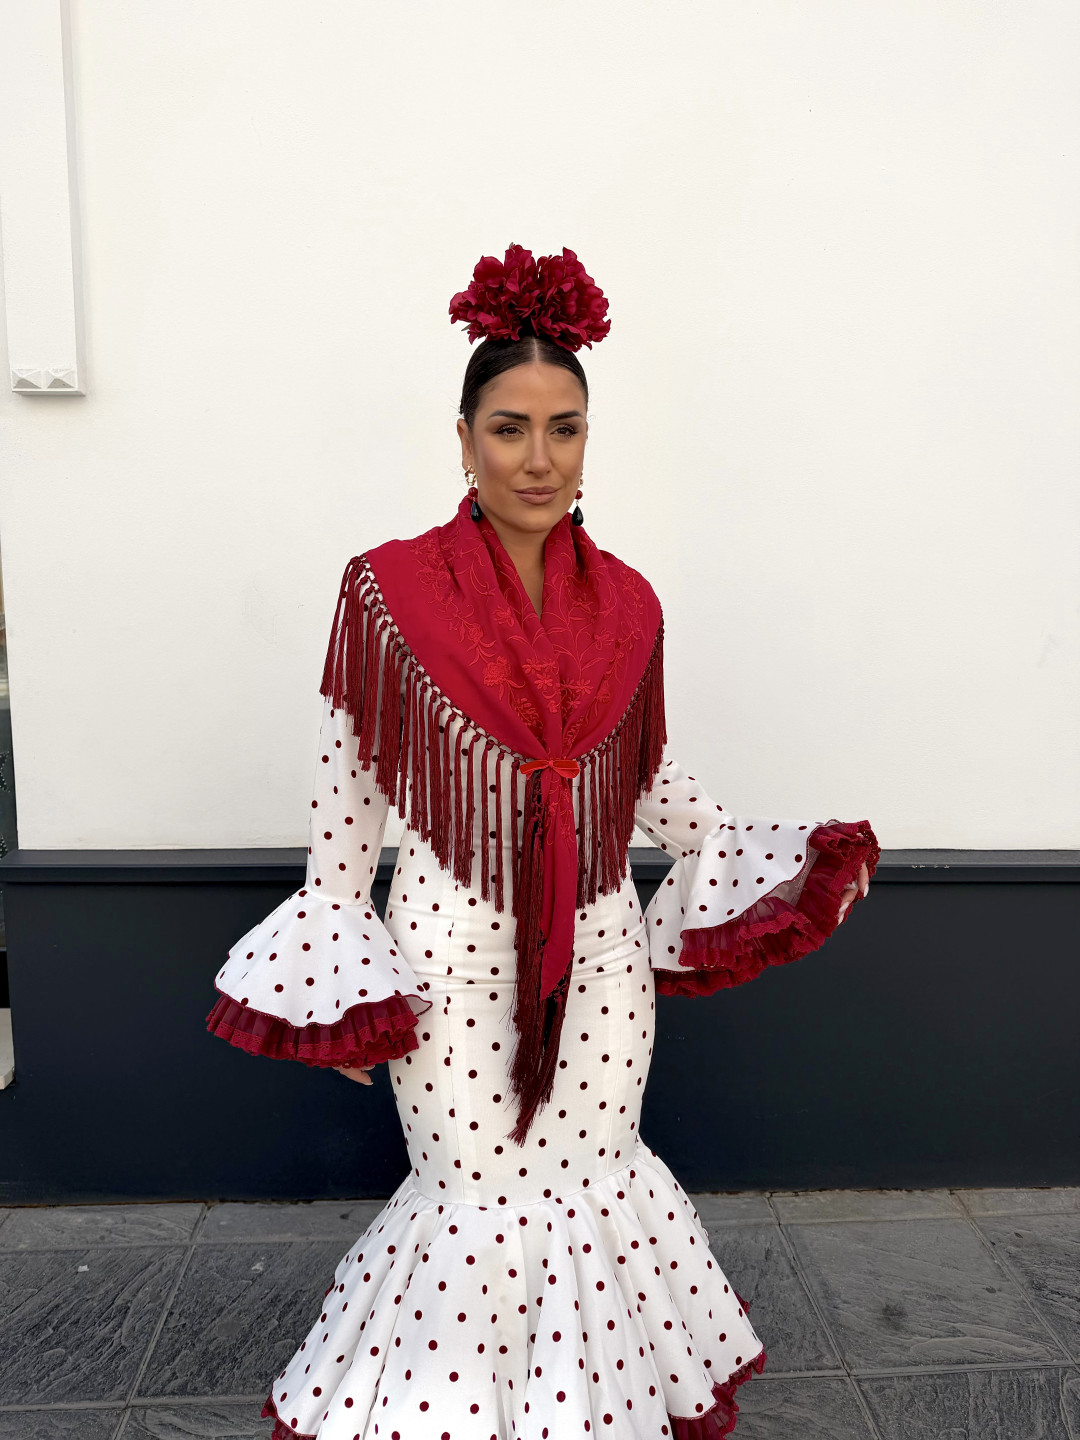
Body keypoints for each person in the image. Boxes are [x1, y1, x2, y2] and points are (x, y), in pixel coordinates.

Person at [206, 243, 879, 1440]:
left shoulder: (629, 603)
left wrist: (790, 868)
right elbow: (345, 799)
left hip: (606, 963)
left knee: (593, 1189)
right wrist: (340, 985)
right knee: (474, 1199)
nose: (539, 457)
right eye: (510, 428)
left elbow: (657, 788)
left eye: (565, 429)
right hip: (446, 959)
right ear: (462, 438)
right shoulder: (386, 592)